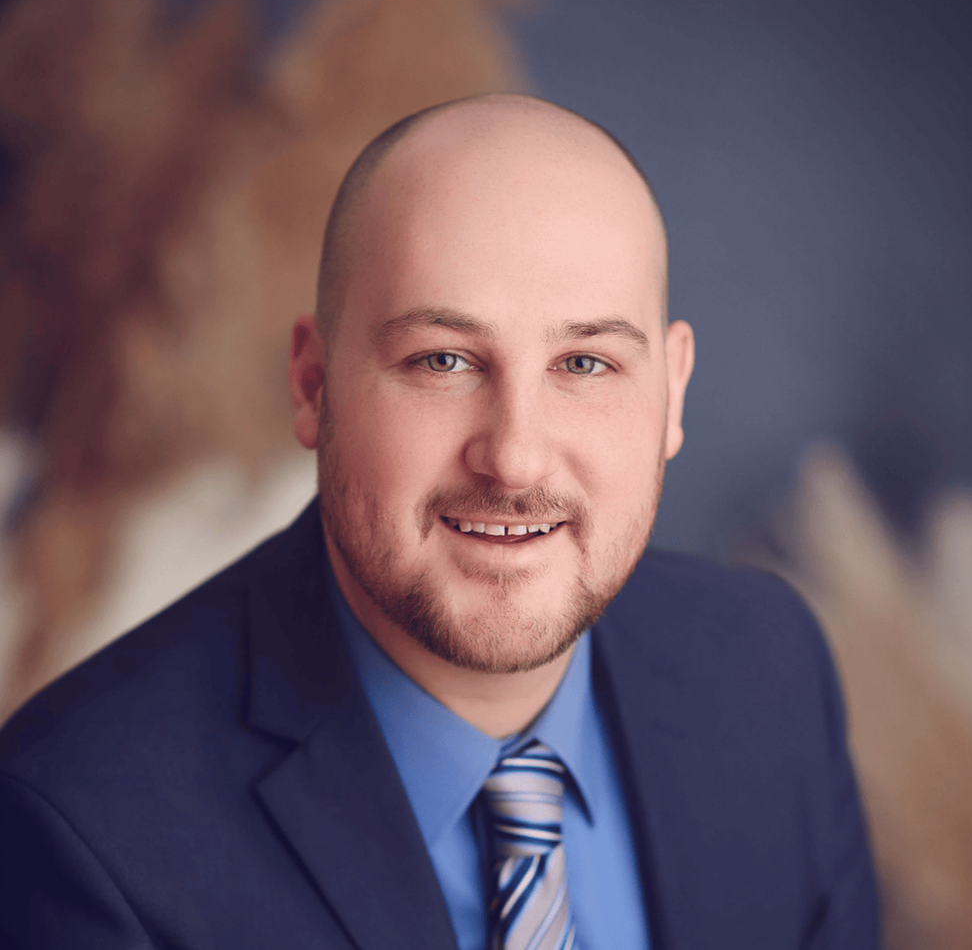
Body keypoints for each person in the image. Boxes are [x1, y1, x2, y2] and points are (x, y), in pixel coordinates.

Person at [0, 95, 880, 949]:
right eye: (442, 359)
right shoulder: (81, 828)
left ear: (672, 392)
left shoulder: (770, 670)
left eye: (584, 361)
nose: (515, 458)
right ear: (313, 385)